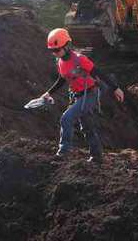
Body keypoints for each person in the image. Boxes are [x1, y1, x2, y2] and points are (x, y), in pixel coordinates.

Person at [39, 28, 125, 163]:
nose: (55, 53)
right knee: (87, 126)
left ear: (67, 46)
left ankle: (63, 154)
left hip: (90, 94)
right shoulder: (61, 62)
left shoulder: (80, 59)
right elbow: (62, 79)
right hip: (77, 95)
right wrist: (49, 93)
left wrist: (115, 88)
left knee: (66, 118)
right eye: (52, 51)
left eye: (57, 50)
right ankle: (96, 157)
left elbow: (99, 73)